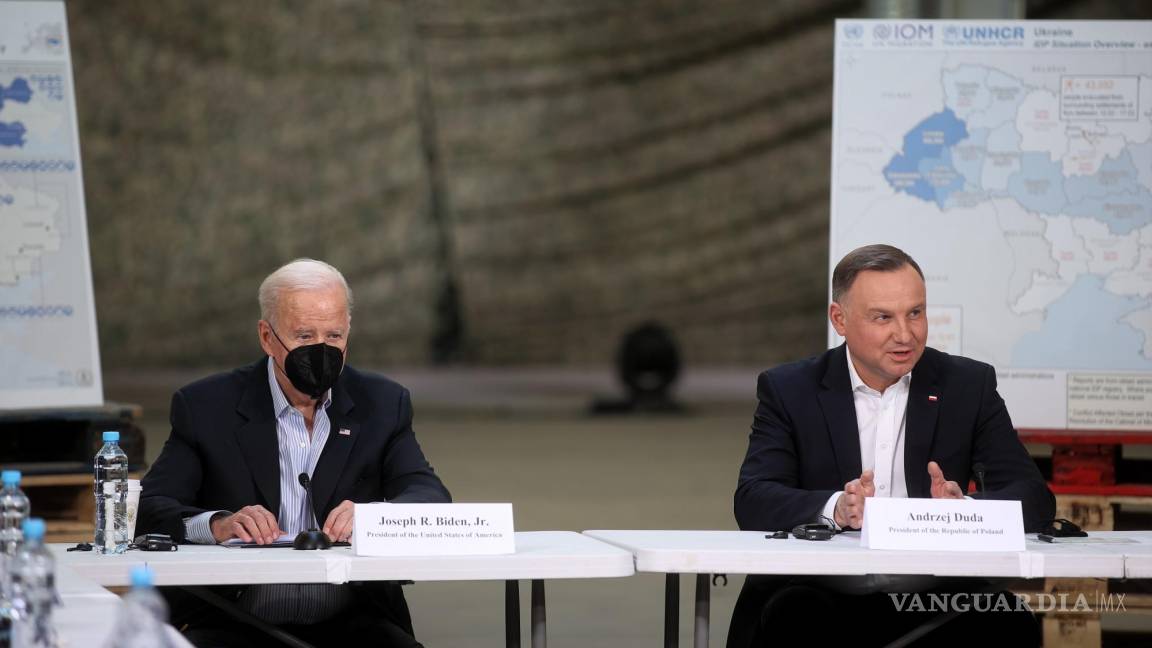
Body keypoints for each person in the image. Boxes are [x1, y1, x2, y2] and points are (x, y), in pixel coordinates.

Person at [728, 244, 1055, 648]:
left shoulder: (967, 387)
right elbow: (755, 499)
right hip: (820, 592)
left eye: (915, 313)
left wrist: (965, 513)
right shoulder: (789, 389)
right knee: (794, 618)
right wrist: (837, 509)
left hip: (932, 598)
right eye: (883, 317)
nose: (905, 334)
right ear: (839, 319)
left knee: (1009, 621)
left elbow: (1035, 500)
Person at [137, 258, 451, 648]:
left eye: (334, 336)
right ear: (267, 337)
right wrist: (217, 525)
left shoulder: (383, 404)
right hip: (232, 621)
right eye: (304, 337)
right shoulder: (205, 406)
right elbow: (149, 507)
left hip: (353, 619)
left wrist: (375, 517)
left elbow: (430, 497)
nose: (321, 350)